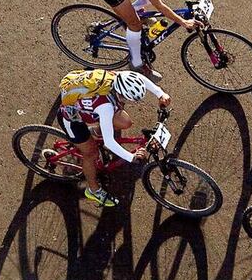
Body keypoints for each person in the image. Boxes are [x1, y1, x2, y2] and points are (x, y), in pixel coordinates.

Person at [58, 70, 170, 207]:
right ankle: (93, 191)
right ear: (121, 94)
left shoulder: (117, 78)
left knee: (125, 122)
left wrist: (160, 93)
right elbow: (109, 142)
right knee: (91, 153)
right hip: (72, 120)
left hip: (87, 102)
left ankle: (96, 132)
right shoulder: (106, 108)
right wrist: (131, 157)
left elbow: (137, 77)